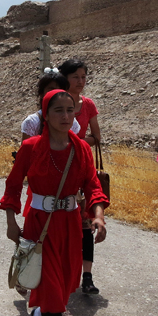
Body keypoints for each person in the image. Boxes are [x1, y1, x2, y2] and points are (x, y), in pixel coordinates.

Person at [0, 89, 108, 316]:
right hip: (40, 227)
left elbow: (92, 185)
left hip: (71, 227)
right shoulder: (31, 148)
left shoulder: (81, 149)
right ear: (45, 116)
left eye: (70, 110)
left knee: (65, 288)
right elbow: (12, 184)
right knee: (51, 301)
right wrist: (11, 221)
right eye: (58, 110)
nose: (65, 116)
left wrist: (98, 216)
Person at [18, 68, 82, 316]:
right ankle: (50, 305)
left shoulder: (72, 126)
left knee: (62, 258)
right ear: (43, 100)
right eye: (49, 93)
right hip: (40, 192)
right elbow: (23, 166)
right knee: (39, 248)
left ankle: (50, 303)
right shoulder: (31, 125)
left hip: (66, 198)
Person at [58, 58, 102, 295]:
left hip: (81, 167)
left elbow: (97, 137)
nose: (81, 81)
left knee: (86, 225)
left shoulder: (89, 105)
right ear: (64, 78)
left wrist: (76, 142)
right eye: (75, 76)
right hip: (58, 169)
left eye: (84, 76)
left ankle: (87, 276)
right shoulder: (55, 102)